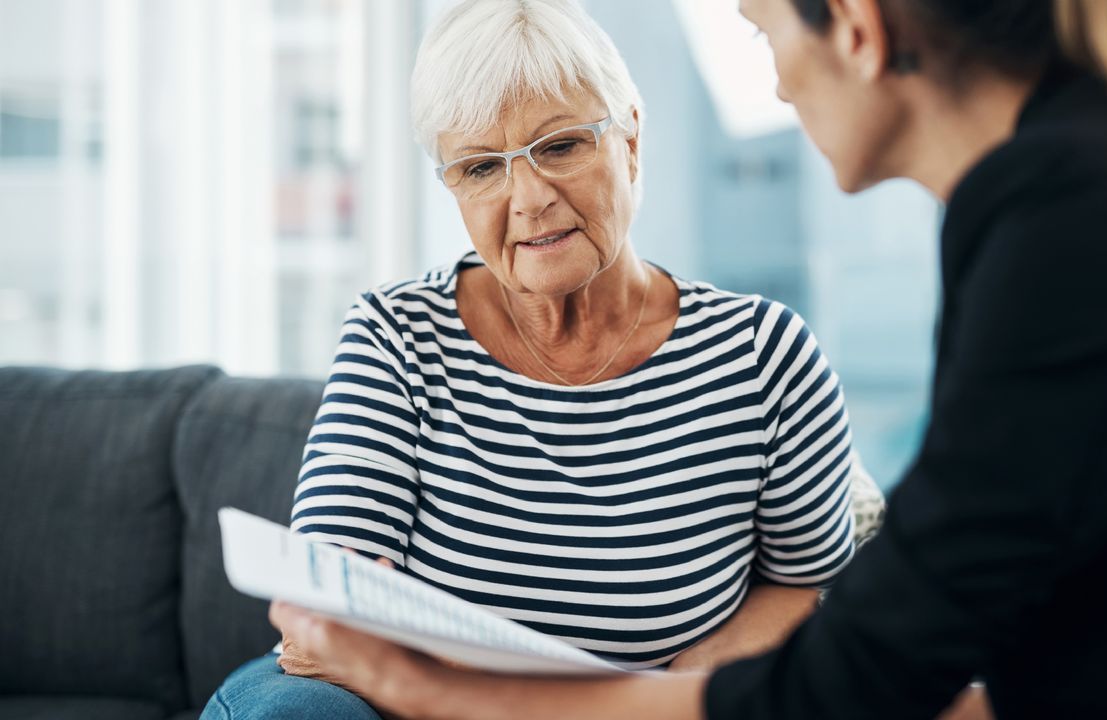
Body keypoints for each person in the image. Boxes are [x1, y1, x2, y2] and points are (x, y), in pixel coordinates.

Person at [268, 0, 1107, 718]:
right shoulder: (1083, 194)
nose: (774, 84)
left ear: (854, 25)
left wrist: (446, 694)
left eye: (760, 28)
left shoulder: (1074, 223)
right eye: (482, 167)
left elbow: (868, 660)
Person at [201, 1, 886, 718]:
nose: (528, 199)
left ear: (630, 138)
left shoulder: (763, 354)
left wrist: (680, 690)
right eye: (480, 168)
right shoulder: (396, 333)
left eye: (560, 147)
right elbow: (328, 609)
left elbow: (808, 586)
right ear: (453, 189)